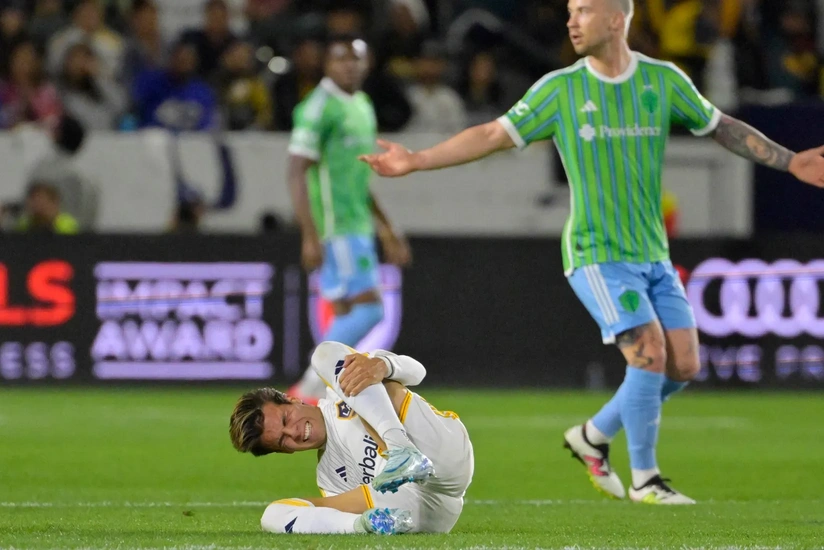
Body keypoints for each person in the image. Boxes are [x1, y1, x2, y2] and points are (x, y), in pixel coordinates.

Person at [359, 0, 824, 505]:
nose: (571, 21)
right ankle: (646, 479)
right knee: (649, 354)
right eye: (569, 11)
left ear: (616, 18)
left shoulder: (663, 81)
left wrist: (789, 160)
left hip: (652, 252)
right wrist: (418, 159)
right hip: (596, 252)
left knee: (684, 366)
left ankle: (593, 435)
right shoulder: (560, 89)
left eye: (583, 11)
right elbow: (493, 133)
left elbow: (722, 126)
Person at [229, 341, 474, 535]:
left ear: (293, 399)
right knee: (272, 516)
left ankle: (401, 448)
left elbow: (418, 372)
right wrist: (358, 523)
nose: (293, 432)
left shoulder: (343, 383)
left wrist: (384, 366)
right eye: (283, 441)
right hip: (428, 515)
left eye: (286, 419)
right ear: (286, 451)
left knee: (325, 355)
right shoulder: (329, 480)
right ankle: (364, 525)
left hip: (443, 455)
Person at [286, 36, 411, 405]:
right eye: (340, 59)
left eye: (355, 59)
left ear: (367, 63)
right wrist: (309, 234)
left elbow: (359, 176)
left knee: (343, 312)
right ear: (326, 64)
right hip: (337, 225)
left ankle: (325, 395)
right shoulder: (317, 108)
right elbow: (295, 171)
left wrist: (386, 226)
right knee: (370, 309)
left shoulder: (362, 105)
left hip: (357, 222)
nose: (349, 66)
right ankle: (308, 388)